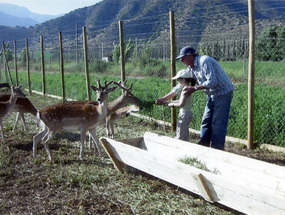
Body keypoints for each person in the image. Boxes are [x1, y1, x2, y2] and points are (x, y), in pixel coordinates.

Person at [156, 46, 235, 150]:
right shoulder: (191, 68)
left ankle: (217, 150)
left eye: (183, 58)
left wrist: (195, 88)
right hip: (211, 94)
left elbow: (212, 81)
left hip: (223, 92)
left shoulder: (205, 61)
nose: (182, 60)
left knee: (217, 123)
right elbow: (180, 86)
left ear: (190, 56)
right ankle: (203, 147)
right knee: (206, 122)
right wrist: (163, 98)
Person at [163, 69, 196, 141]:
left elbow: (181, 103)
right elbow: (180, 101)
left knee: (180, 136)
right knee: (185, 135)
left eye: (179, 79)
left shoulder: (185, 89)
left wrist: (171, 104)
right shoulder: (187, 88)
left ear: (183, 80)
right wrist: (168, 102)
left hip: (184, 114)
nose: (178, 81)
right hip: (186, 113)